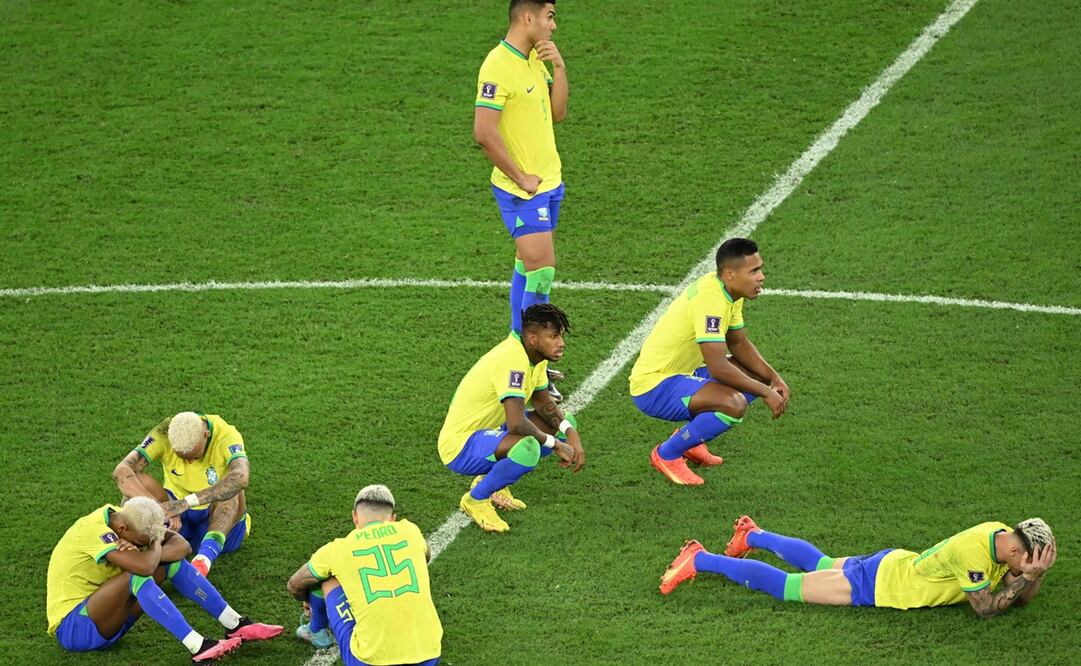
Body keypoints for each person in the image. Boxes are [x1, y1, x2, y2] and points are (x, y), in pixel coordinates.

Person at [660, 515, 1057, 617]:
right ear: (1018, 553)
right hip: (883, 583)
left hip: (896, 563)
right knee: (788, 588)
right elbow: (987, 609)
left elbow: (1018, 595)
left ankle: (751, 536)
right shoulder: (976, 554)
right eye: (1030, 561)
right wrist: (1027, 579)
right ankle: (699, 558)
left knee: (820, 563)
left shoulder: (1005, 537)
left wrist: (1030, 577)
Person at [629, 237, 789, 485]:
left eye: (760, 269)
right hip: (654, 386)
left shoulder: (728, 292)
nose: (761, 277)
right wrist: (765, 392)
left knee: (755, 373)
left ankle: (692, 442)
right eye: (754, 271)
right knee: (734, 404)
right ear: (730, 274)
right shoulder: (711, 300)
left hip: (683, 373)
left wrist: (773, 378)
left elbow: (738, 343)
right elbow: (718, 367)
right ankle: (667, 454)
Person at [46, 496, 281, 661]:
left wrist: (151, 542)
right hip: (75, 628)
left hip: (109, 615)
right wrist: (156, 544)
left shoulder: (124, 516)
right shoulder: (93, 531)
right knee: (136, 575)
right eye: (141, 541)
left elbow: (183, 545)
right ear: (123, 530)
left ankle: (235, 624)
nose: (143, 545)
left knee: (172, 563)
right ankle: (198, 647)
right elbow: (146, 566)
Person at [474, 0, 569, 398]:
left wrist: (560, 67)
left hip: (549, 184)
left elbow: (557, 112)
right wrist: (520, 176)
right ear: (527, 17)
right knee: (542, 269)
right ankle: (533, 370)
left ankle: (524, 358)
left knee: (528, 269)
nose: (554, 25)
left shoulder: (534, 59)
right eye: (549, 17)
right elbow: (483, 132)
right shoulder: (497, 64)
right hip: (522, 190)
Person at [437, 304, 584, 532]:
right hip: (460, 445)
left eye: (561, 336)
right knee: (527, 448)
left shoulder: (535, 356)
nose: (561, 343)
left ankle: (496, 484)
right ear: (533, 339)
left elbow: (543, 401)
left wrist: (571, 434)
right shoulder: (512, 360)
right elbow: (516, 422)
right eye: (554, 337)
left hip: (489, 431)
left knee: (566, 422)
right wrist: (556, 445)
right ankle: (476, 500)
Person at [286, 485, 443, 665]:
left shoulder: (338, 549)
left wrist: (306, 599)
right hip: (428, 655)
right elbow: (426, 557)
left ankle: (316, 630)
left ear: (355, 517)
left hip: (370, 661)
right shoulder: (411, 531)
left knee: (325, 577)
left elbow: (294, 584)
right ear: (393, 519)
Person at [112, 411, 252, 577]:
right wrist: (160, 508)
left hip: (219, 520)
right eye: (183, 458)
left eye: (194, 456)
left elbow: (241, 477)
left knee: (233, 490)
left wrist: (185, 503)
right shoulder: (164, 432)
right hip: (176, 519)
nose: (189, 462)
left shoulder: (226, 435)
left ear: (206, 435)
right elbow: (122, 470)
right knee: (138, 481)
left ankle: (204, 558)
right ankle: (129, 543)